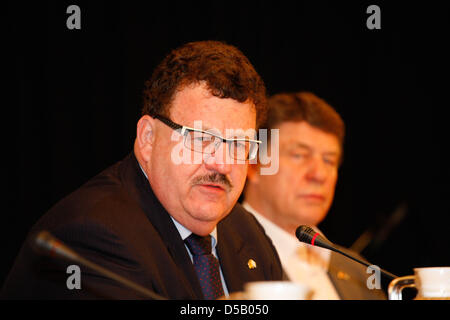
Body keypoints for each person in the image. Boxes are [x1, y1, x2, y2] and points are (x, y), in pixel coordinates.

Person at [1, 41, 283, 299]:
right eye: (200, 138)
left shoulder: (245, 231)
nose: (221, 164)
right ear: (148, 138)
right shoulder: (92, 237)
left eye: (238, 144)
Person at [243, 92, 386, 299]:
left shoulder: (360, 271)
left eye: (329, 160)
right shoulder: (214, 255)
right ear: (254, 164)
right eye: (299, 155)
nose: (319, 175)